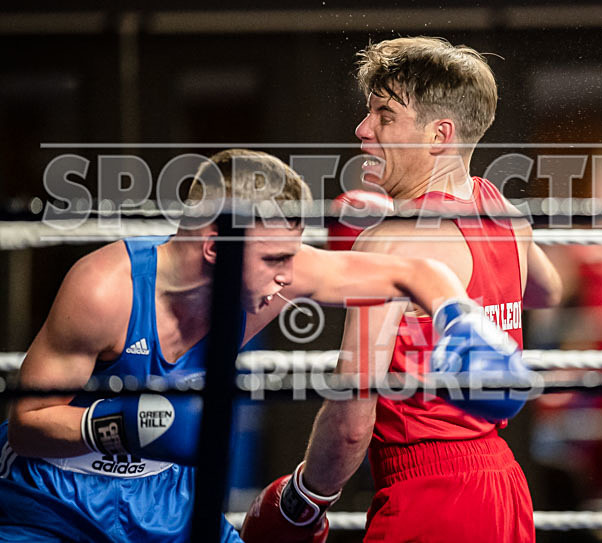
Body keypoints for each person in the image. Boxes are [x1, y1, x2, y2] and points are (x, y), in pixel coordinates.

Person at [0, 148, 516, 543]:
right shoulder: (106, 289)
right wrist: (124, 424)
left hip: (164, 497)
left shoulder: (278, 271)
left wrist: (460, 319)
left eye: (290, 254)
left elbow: (413, 271)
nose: (288, 276)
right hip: (50, 498)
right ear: (215, 248)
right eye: (274, 259)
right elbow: (26, 427)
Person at [243, 37, 563, 543]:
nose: (363, 129)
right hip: (504, 489)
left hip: (430, 494)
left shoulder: (394, 241)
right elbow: (547, 292)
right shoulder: (504, 212)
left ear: (439, 134)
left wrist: (304, 497)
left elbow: (353, 418)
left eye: (384, 116)